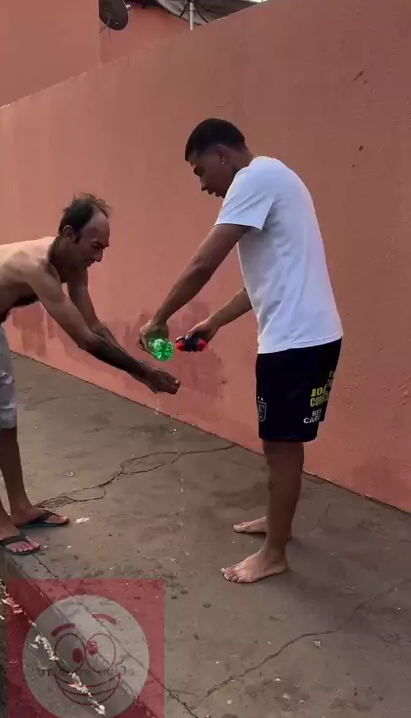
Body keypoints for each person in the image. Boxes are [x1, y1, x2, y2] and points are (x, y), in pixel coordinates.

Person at [139, 119, 342, 584]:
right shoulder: (275, 176)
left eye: (200, 171)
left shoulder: (253, 180)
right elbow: (265, 280)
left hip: (297, 341)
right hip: (303, 337)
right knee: (281, 442)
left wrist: (159, 318)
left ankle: (274, 555)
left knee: (281, 446)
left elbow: (203, 263)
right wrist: (213, 322)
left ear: (222, 155)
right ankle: (277, 522)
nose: (203, 185)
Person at [0, 194, 179, 556]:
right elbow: (84, 340)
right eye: (95, 246)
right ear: (69, 234)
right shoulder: (37, 266)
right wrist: (143, 372)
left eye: (104, 248)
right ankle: (0, 522)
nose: (99, 257)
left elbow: (94, 326)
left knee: (5, 425)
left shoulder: (75, 267)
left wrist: (142, 371)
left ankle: (20, 508)